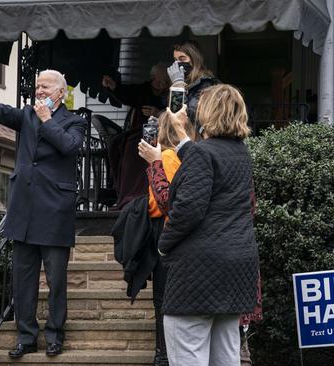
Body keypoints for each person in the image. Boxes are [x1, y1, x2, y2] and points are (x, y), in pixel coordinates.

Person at [0, 61, 87, 358]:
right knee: (23, 280)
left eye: (44, 86)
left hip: (55, 211)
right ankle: (27, 337)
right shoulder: (26, 115)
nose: (38, 90)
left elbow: (70, 147)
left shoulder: (74, 121)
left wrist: (47, 121)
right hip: (24, 211)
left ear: (59, 93)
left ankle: (55, 335)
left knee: (56, 282)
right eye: (37, 86)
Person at [147, 85, 259, 366]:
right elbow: (206, 161)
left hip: (197, 272)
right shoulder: (240, 153)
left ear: (208, 113)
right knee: (226, 358)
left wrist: (164, 245)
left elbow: (187, 210)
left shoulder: (203, 154)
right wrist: (184, 136)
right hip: (237, 270)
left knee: (188, 357)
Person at [137, 112, 196, 366]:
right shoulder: (185, 157)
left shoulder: (168, 158)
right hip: (181, 233)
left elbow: (162, 202)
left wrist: (154, 165)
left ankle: (162, 355)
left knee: (162, 297)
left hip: (167, 230)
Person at [103, 63, 170, 209]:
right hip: (139, 134)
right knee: (127, 148)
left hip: (165, 136)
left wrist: (158, 114)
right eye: (159, 81)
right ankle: (127, 196)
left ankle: (149, 195)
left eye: (165, 81)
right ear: (152, 79)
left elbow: (175, 117)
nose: (162, 85)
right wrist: (114, 86)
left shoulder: (172, 93)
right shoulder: (143, 90)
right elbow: (127, 94)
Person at [166, 40, 218, 135]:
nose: (177, 64)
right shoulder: (186, 81)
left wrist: (178, 85)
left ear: (194, 59)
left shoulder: (205, 84)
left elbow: (187, 116)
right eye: (175, 60)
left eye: (182, 59)